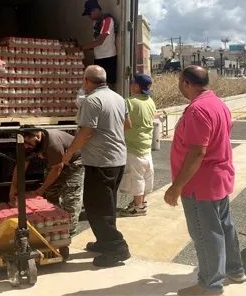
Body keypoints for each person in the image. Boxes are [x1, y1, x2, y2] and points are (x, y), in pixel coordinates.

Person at [164, 66, 245, 296]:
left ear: (187, 83)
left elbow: (197, 152)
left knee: (206, 234)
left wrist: (176, 186)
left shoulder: (197, 110)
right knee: (224, 227)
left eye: (180, 81)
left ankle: (210, 285)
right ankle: (235, 270)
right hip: (219, 178)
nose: (179, 86)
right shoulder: (219, 104)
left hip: (200, 184)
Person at [62, 65, 130, 267]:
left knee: (96, 209)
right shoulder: (118, 98)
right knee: (106, 206)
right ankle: (104, 242)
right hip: (118, 159)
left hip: (101, 162)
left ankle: (117, 248)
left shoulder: (92, 101)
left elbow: (85, 133)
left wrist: (69, 153)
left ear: (86, 81)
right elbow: (127, 125)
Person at [8, 126, 84, 236]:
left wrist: (42, 189)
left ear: (38, 136)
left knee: (71, 196)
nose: (26, 145)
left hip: (74, 162)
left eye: (28, 143)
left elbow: (58, 167)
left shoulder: (52, 143)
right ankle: (54, 224)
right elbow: (21, 165)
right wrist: (13, 187)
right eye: (23, 142)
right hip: (56, 161)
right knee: (50, 193)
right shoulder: (28, 144)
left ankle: (69, 230)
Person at [119, 74, 157, 217]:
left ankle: (138, 207)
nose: (130, 86)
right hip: (146, 144)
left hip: (133, 144)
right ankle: (141, 202)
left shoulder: (129, 102)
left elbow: (124, 122)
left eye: (132, 83)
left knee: (136, 176)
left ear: (136, 86)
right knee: (146, 174)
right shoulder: (150, 101)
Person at [74, 0, 119, 86]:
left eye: (89, 13)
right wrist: (86, 49)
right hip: (98, 57)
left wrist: (81, 47)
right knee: (97, 85)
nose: (89, 16)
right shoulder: (96, 23)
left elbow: (100, 41)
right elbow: (96, 42)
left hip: (108, 58)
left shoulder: (107, 20)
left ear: (96, 10)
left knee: (106, 85)